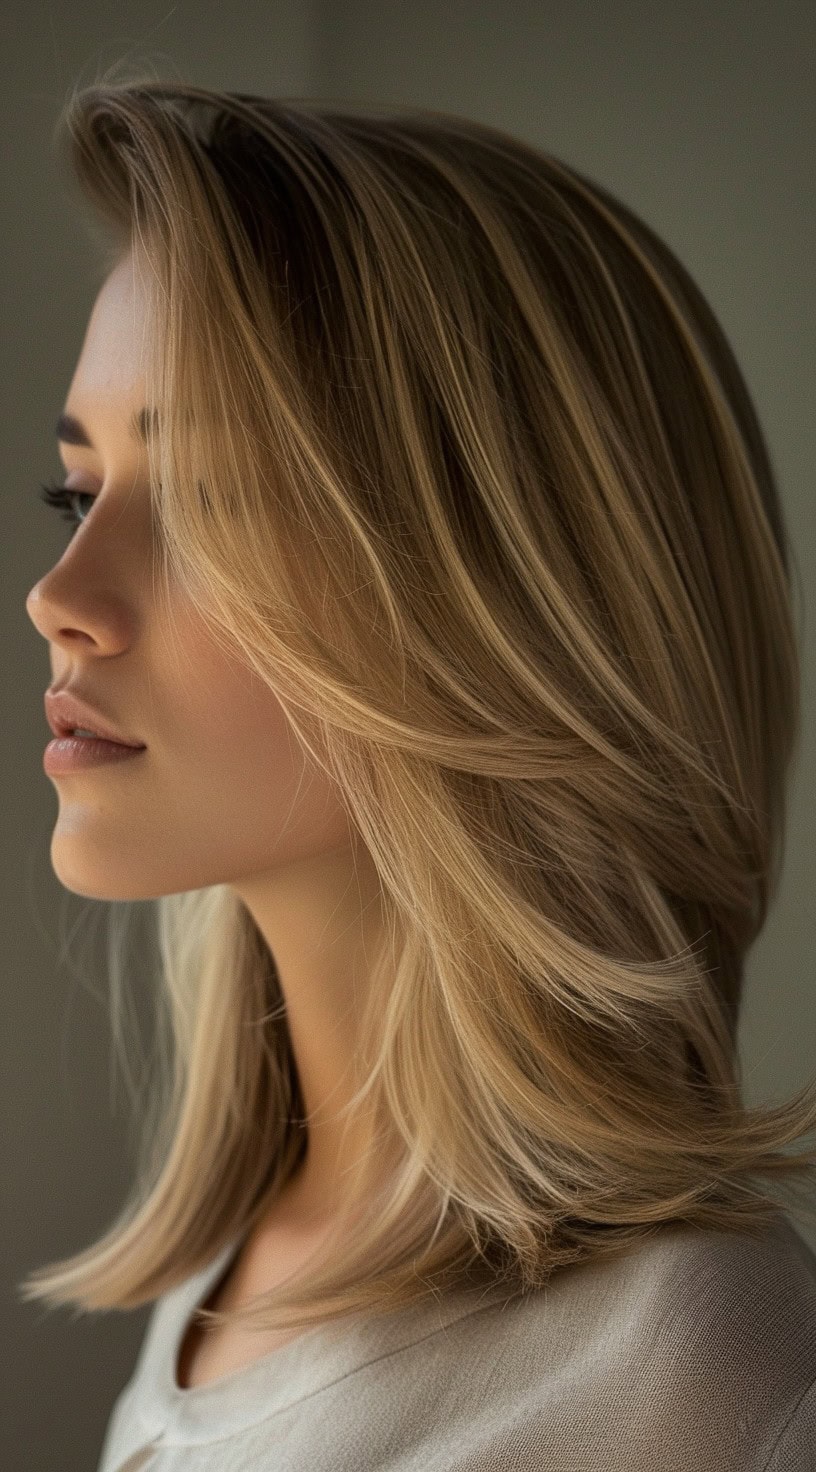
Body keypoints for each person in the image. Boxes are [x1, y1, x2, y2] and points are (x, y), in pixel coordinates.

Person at [21, 72, 816, 1470]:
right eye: (76, 494)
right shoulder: (223, 1278)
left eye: (208, 499)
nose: (59, 592)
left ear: (503, 601)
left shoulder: (691, 1378)